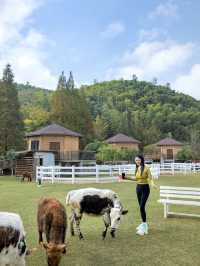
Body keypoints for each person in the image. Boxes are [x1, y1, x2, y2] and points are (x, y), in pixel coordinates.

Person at [134, 155, 157, 236]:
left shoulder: (146, 168)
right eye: (136, 160)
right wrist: (124, 177)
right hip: (138, 188)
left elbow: (150, 178)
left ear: (142, 160)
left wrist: (153, 184)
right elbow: (136, 179)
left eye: (138, 160)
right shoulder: (137, 168)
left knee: (141, 207)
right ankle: (143, 224)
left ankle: (144, 226)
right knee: (141, 207)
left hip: (145, 188)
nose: (137, 161)